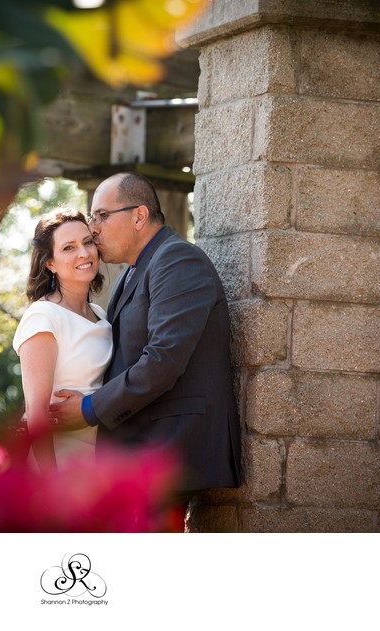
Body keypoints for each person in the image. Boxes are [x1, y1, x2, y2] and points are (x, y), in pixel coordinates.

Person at [50, 172, 242, 522]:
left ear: (138, 216)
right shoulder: (131, 273)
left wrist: (90, 408)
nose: (92, 228)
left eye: (101, 216)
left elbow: (163, 360)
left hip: (168, 449)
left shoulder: (178, 260)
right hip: (139, 453)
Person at [12, 208, 112, 473]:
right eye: (69, 247)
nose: (84, 253)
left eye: (87, 242)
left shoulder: (100, 315)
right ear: (50, 263)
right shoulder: (43, 317)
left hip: (98, 460)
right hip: (59, 462)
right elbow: (36, 413)